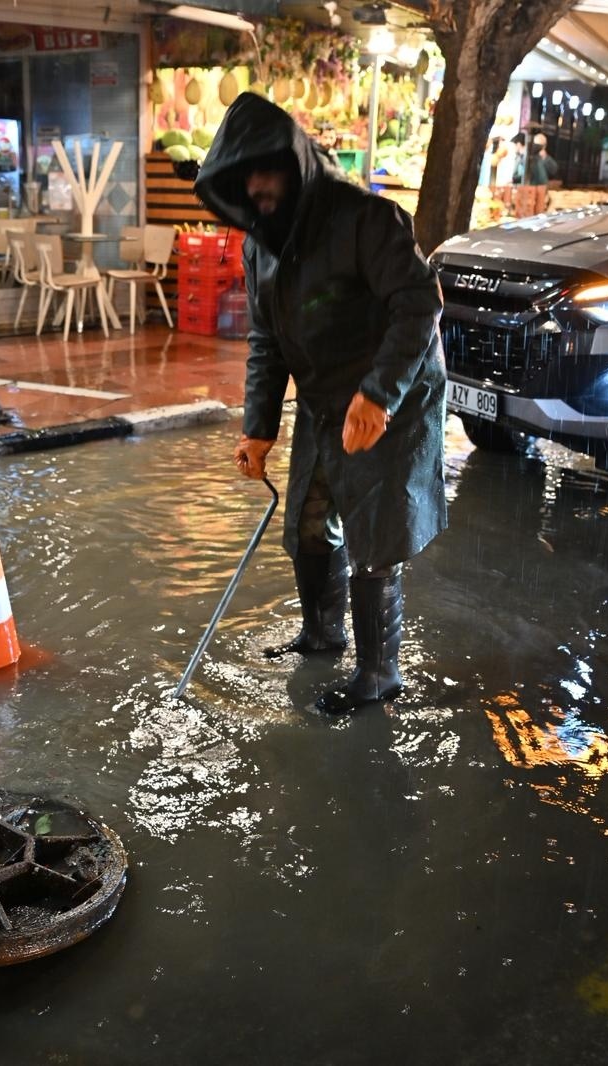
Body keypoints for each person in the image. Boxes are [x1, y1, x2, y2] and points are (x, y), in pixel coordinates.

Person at [194, 93, 448, 715]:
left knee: (373, 535)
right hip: (321, 400)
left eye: (268, 169)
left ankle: (378, 672)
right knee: (309, 523)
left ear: (296, 162)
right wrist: (258, 427)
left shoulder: (365, 218)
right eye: (245, 177)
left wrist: (380, 394)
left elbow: (419, 304)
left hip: (393, 394)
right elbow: (266, 339)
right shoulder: (260, 243)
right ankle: (322, 631)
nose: (258, 187)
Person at [516, 132, 550, 218]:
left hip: (535, 194)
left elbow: (543, 178)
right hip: (529, 192)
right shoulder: (528, 158)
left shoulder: (538, 159)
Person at [495, 132, 525, 208]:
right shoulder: (520, 157)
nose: (514, 148)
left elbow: (524, 175)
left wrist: (513, 179)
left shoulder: (524, 158)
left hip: (522, 189)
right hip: (517, 187)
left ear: (518, 144)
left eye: (515, 145)